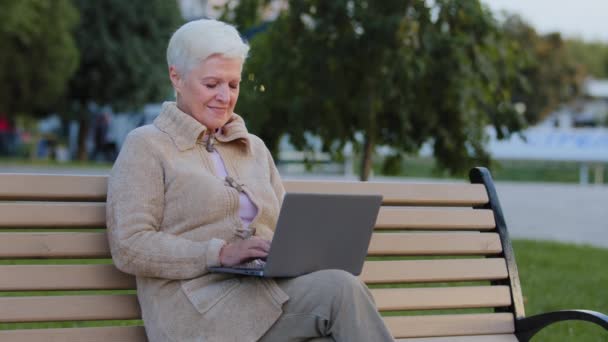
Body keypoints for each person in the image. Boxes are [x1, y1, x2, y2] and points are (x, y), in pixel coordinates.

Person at [106, 19, 394, 342]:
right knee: (341, 291)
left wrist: (300, 253)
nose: (224, 97)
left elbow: (286, 226)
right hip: (198, 313)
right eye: (212, 84)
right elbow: (130, 245)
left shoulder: (254, 148)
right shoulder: (147, 145)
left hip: (266, 296)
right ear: (176, 76)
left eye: (233, 84)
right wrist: (219, 253)